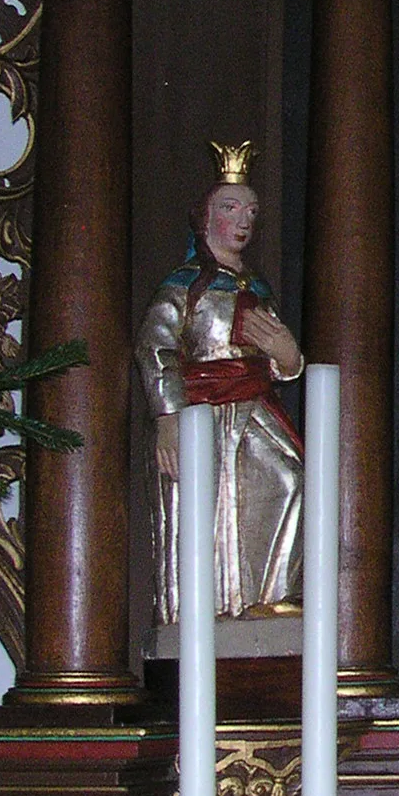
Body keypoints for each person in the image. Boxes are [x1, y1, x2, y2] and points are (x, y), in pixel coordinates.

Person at [135, 141, 304, 623]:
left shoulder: (258, 289)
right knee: (206, 513)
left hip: (253, 406)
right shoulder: (183, 286)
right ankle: (208, 610)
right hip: (202, 414)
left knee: (290, 478)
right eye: (231, 208)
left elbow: (277, 361)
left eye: (252, 210)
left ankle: (268, 598)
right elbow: (156, 348)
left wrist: (289, 358)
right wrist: (168, 417)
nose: (245, 220)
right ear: (204, 218)